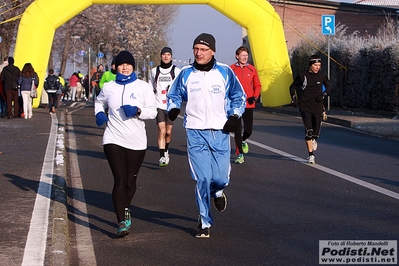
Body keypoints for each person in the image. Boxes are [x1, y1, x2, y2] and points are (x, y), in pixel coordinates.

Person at [167, 33, 246, 238]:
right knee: (202, 178)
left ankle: (218, 192)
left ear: (213, 51)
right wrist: (174, 107)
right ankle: (204, 221)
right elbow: (173, 95)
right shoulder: (185, 73)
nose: (198, 53)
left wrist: (235, 115)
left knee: (219, 178)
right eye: (196, 49)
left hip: (220, 131)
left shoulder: (225, 72)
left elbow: (239, 96)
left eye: (203, 49)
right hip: (195, 132)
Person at [94, 50, 157, 237]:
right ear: (116, 67)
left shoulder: (143, 87)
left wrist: (138, 111)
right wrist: (99, 113)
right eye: (121, 64)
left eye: (128, 64)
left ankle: (125, 207)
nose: (125, 67)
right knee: (120, 180)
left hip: (136, 141)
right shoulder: (109, 87)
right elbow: (99, 102)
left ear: (133, 66)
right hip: (113, 138)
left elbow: (152, 112)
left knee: (131, 182)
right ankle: (121, 221)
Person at [289, 54, 331, 164]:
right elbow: (292, 87)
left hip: (317, 105)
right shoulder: (302, 75)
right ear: (310, 65)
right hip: (305, 106)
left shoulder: (322, 76)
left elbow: (329, 86)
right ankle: (311, 155)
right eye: (316, 65)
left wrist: (324, 94)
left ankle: (313, 139)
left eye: (319, 65)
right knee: (309, 130)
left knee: (315, 132)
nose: (318, 67)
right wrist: (294, 99)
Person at [149, 47, 180, 166]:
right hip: (159, 105)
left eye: (168, 54)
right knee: (161, 130)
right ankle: (162, 156)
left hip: (171, 106)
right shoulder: (154, 71)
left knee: (168, 131)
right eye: (164, 54)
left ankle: (166, 149)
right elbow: (150, 85)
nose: (166, 56)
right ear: (161, 56)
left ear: (171, 56)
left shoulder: (176, 71)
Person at [230, 46, 261, 164]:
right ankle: (240, 154)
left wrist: (255, 96)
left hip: (248, 103)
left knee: (248, 130)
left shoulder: (252, 69)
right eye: (242, 55)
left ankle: (243, 141)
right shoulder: (231, 69)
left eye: (246, 55)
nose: (245, 57)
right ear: (237, 56)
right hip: (236, 105)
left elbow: (258, 85)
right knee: (237, 129)